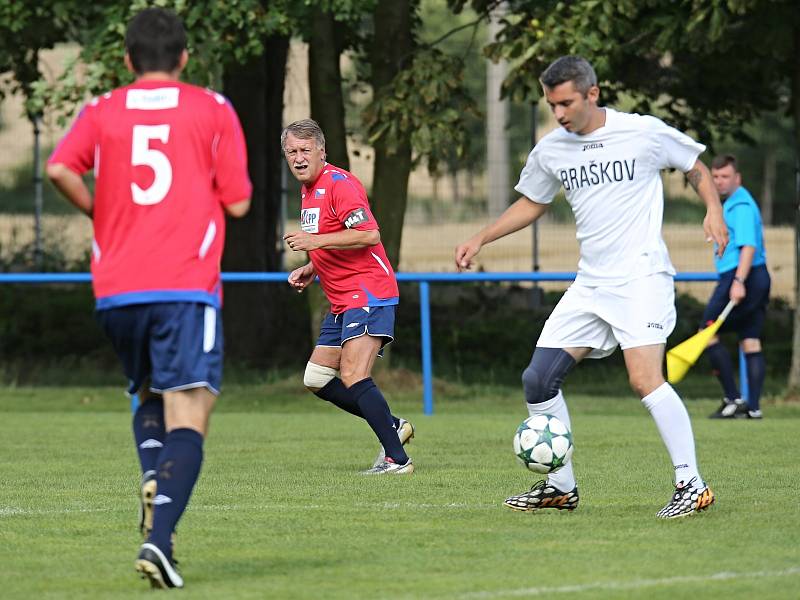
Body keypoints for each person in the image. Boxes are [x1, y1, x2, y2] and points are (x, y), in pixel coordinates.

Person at [455, 56, 728, 519]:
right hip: (591, 283)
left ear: (592, 94)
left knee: (644, 378)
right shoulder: (552, 148)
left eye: (566, 103)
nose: (559, 114)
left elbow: (694, 165)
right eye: (551, 105)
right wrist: (482, 236)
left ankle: (692, 483)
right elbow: (532, 203)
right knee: (538, 379)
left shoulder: (641, 132)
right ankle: (561, 487)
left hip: (640, 276)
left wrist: (714, 209)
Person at [47, 8, 251, 589]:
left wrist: (100, 210)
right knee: (191, 412)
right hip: (183, 284)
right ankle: (159, 540)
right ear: (185, 58)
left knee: (147, 394)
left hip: (116, 288)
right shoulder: (211, 108)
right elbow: (237, 204)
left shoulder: (101, 109)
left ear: (128, 60)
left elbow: (60, 166)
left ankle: (151, 479)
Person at [281, 118, 414, 475]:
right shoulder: (308, 190)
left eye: (305, 150)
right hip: (342, 298)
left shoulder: (340, 184)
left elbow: (369, 234)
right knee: (317, 378)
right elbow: (334, 237)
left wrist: (314, 243)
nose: (298, 157)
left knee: (354, 375)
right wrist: (313, 266)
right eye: (291, 151)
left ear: (322, 151)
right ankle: (394, 426)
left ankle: (396, 460)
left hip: (368, 291)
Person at [704, 154, 770, 420]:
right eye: (715, 177)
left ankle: (733, 399)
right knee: (750, 340)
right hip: (757, 277)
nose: (719, 182)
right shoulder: (733, 203)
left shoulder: (740, 205)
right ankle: (753, 408)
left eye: (725, 177)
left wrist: (738, 282)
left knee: (707, 332)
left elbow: (749, 246)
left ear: (737, 178)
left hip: (742, 277)